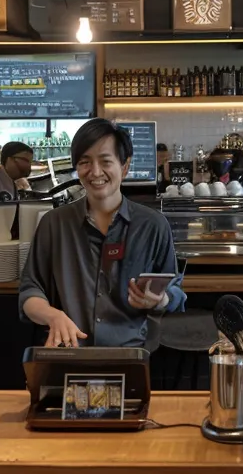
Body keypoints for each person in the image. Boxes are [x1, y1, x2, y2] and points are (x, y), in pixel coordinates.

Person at [20, 118, 185, 350]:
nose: (95, 172)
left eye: (105, 161)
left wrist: (160, 299)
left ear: (124, 167)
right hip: (67, 353)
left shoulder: (153, 225)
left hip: (130, 355)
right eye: (85, 162)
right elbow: (30, 290)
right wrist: (52, 316)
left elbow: (175, 291)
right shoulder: (53, 224)